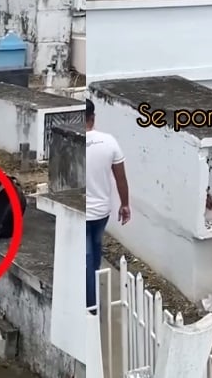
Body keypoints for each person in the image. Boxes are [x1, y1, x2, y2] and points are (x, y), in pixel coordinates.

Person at [86, 99, 130, 311]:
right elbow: (121, 178)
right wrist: (125, 204)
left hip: (81, 213)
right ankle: (93, 277)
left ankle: (91, 307)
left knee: (86, 255)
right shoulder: (109, 141)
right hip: (102, 211)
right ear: (93, 119)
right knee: (95, 247)